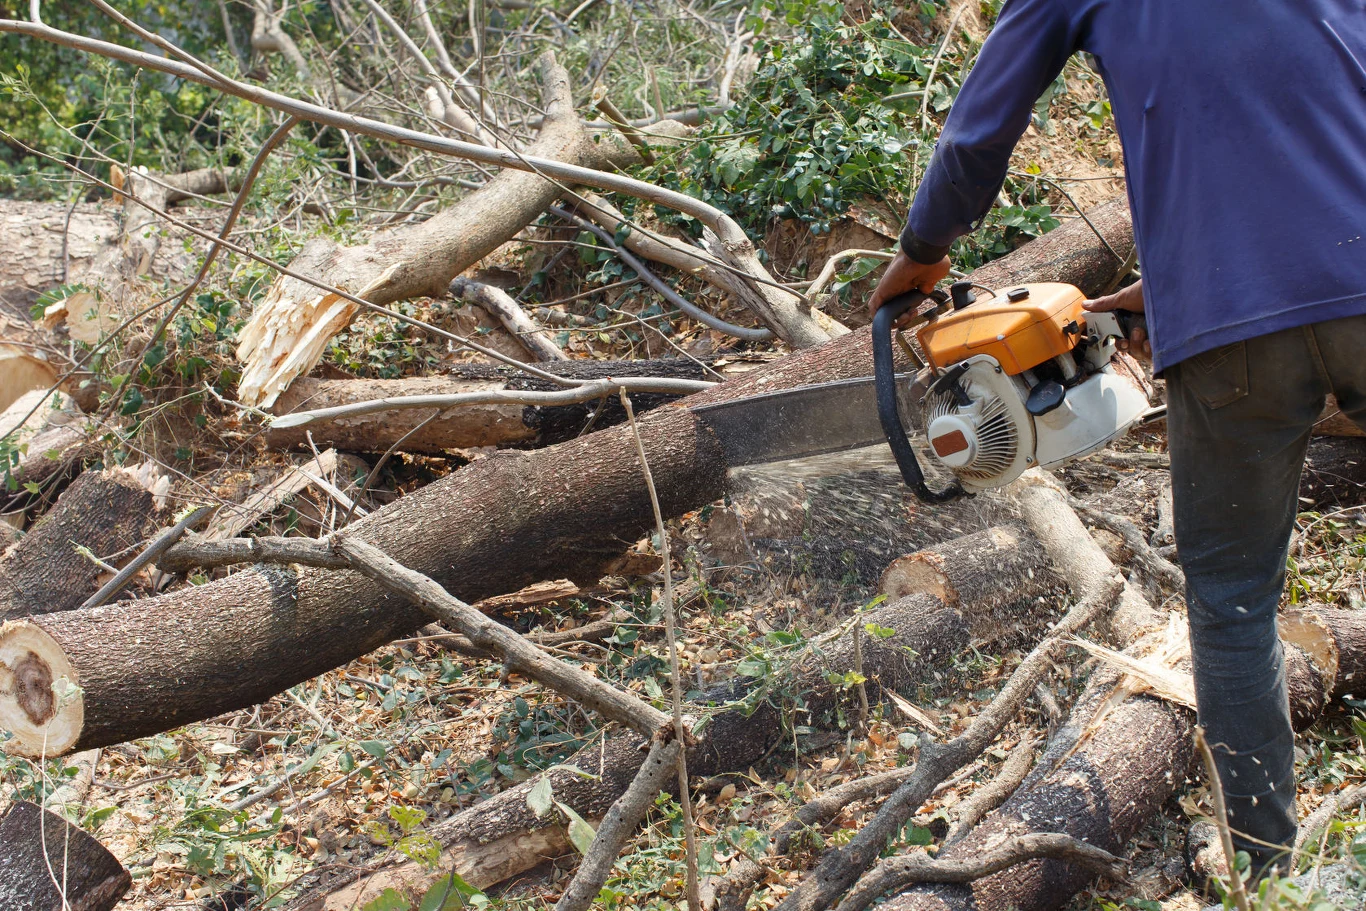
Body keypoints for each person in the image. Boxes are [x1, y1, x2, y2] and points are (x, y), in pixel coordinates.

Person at [869, 1, 1366, 882]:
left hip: (1233, 336)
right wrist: (1172, 282)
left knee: (1234, 600)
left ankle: (1267, 871)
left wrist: (923, 249)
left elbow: (980, 133)